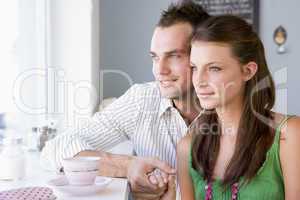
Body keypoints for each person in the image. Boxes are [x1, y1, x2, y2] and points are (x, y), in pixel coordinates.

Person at [41, 2, 209, 199]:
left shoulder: (231, 109)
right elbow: (57, 147)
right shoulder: (142, 100)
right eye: (155, 57)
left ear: (203, 55)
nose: (160, 70)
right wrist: (127, 166)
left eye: (174, 56)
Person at [176, 15, 300, 199]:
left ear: (248, 71)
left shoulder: (289, 135)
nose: (199, 81)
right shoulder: (187, 147)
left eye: (214, 68)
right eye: (194, 67)